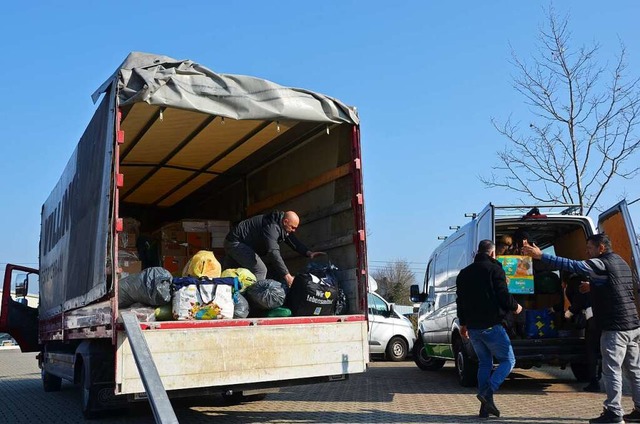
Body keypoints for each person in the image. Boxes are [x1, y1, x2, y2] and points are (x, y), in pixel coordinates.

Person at [523, 234, 640, 424]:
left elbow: (574, 266)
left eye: (590, 248)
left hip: (614, 327)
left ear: (601, 248)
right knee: (635, 370)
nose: (587, 252)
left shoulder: (600, 263)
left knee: (612, 370)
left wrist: (541, 256)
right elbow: (615, 287)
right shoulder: (620, 261)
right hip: (633, 325)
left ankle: (613, 413)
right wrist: (593, 286)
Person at [457, 240, 523, 419]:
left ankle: (485, 409)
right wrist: (515, 306)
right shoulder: (495, 269)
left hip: (474, 328)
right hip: (492, 326)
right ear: (492, 253)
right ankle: (488, 392)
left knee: (485, 363)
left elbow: (460, 301)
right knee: (509, 361)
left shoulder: (464, 273)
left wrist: (463, 324)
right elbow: (502, 295)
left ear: (478, 252)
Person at [223, 210, 323, 287]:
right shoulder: (272, 227)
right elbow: (273, 252)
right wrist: (287, 275)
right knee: (261, 270)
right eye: (293, 227)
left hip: (239, 243)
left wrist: (308, 253)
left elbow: (293, 241)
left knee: (228, 274)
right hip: (235, 243)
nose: (294, 230)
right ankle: (255, 302)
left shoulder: (282, 225)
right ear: (285, 221)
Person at [564, 272, 602, 393]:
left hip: (592, 320)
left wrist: (569, 313)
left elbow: (579, 300)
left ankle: (594, 381)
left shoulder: (576, 283)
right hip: (605, 318)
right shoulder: (594, 280)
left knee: (591, 351)